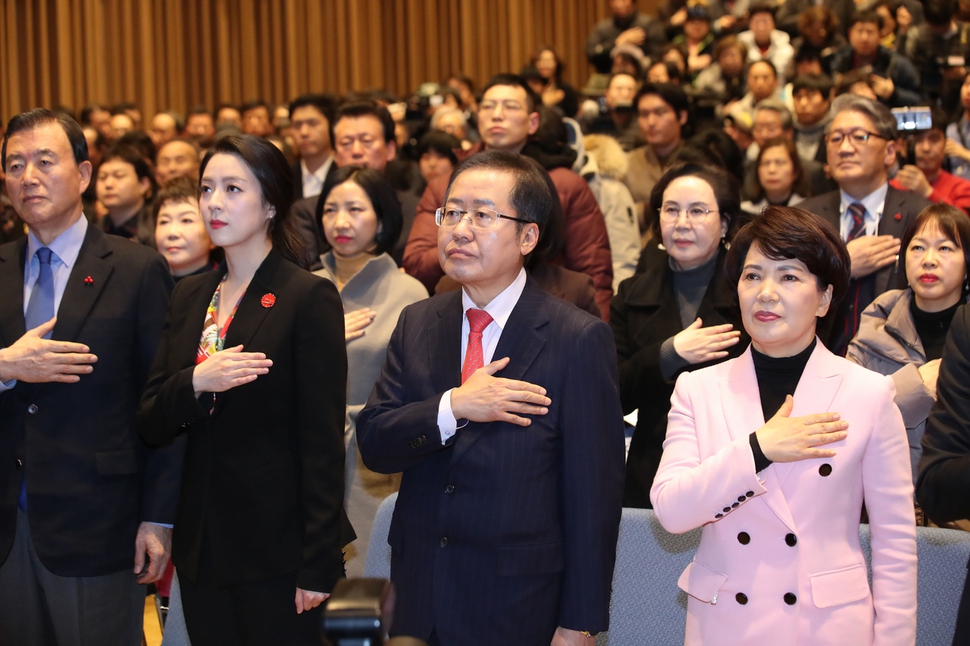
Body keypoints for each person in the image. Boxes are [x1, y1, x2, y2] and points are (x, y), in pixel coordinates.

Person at [357, 150, 625, 646]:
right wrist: (452, 406)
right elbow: (374, 442)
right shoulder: (419, 322)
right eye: (452, 212)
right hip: (420, 598)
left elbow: (594, 497)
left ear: (528, 236)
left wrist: (581, 621)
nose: (460, 229)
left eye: (482, 215)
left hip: (518, 604)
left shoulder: (576, 338)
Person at [651, 205, 917, 645]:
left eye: (789, 277)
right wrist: (757, 448)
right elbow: (672, 510)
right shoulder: (697, 388)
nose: (766, 293)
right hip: (726, 625)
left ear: (825, 297)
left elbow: (895, 546)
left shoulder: (868, 394)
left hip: (827, 627)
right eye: (752, 276)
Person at [137, 135, 349, 645]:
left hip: (279, 549)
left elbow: (322, 442)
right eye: (207, 189)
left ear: (271, 203)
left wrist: (319, 562)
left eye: (233, 188)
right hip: (202, 545)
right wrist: (197, 380)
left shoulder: (307, 295)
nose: (214, 202)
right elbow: (151, 417)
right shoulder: (190, 294)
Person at [0, 108, 180, 644]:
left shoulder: (137, 267)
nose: (27, 176)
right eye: (14, 164)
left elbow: (163, 404)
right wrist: (6, 365)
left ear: (82, 174)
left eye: (44, 161)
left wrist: (159, 518)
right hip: (8, 528)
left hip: (101, 522)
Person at [403, 74, 614, 319]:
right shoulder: (446, 184)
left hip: (550, 308)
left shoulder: (564, 182)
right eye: (488, 106)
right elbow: (417, 265)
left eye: (510, 106)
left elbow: (594, 268)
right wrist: (461, 244)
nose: (497, 114)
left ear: (533, 122)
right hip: (462, 304)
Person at [312, 166, 426, 577]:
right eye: (330, 209)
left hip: (372, 464)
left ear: (382, 217)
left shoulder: (409, 292)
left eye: (355, 209)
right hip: (305, 458)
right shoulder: (304, 286)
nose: (340, 221)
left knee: (370, 590)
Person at [612, 162, 747, 508]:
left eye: (697, 211)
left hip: (735, 464)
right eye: (671, 210)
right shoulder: (632, 293)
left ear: (726, 223)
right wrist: (669, 353)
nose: (682, 223)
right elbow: (612, 393)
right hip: (652, 467)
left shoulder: (751, 292)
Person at [799, 94, 933, 354]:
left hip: (899, 366)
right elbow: (784, 288)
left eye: (859, 136)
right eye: (835, 138)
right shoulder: (803, 217)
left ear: (890, 151)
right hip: (815, 362)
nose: (845, 148)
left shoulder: (921, 217)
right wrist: (842, 265)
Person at [848, 204, 970, 485]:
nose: (929, 260)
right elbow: (848, 419)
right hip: (888, 501)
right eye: (917, 248)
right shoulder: (873, 327)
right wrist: (916, 387)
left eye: (945, 249)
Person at [625, 83, 689, 242]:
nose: (651, 122)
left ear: (681, 116)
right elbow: (616, 216)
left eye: (660, 113)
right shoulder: (627, 163)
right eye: (644, 114)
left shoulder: (699, 159)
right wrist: (647, 210)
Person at [892, 106, 970, 214]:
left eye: (934, 139)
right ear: (902, 146)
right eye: (917, 140)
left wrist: (927, 192)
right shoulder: (891, 189)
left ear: (946, 143)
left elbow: (963, 225)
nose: (926, 148)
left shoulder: (962, 188)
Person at [152, 175, 218, 281]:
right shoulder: (142, 285)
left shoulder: (228, 289)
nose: (172, 233)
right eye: (164, 222)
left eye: (186, 220)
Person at [586, 0, 667, 74]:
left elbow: (659, 54)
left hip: (643, 77)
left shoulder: (649, 24)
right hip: (608, 76)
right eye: (614, 0)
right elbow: (590, 53)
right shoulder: (603, 28)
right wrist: (617, 43)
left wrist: (639, 64)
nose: (619, 4)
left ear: (633, 2)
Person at [96, 144, 156, 244]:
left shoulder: (157, 228)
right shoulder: (92, 232)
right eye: (102, 177)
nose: (108, 184)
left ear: (143, 184)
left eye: (119, 176)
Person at [288, 93, 338, 200]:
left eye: (312, 123)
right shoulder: (285, 178)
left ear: (331, 126)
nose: (304, 132)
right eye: (297, 125)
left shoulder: (346, 174)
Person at [741, 137, 810, 212]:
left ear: (795, 171)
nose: (771, 170)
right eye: (766, 163)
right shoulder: (745, 211)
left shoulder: (810, 209)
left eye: (779, 163)